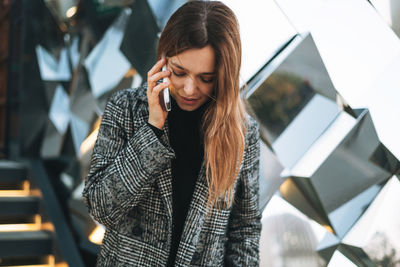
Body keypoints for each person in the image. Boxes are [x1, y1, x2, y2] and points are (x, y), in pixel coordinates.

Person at [82, 1, 261, 266]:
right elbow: (100, 207)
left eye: (206, 78)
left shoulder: (242, 133)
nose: (190, 89)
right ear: (163, 59)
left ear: (224, 75)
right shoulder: (126, 109)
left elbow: (245, 230)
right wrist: (152, 130)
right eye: (179, 72)